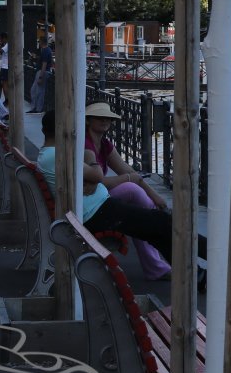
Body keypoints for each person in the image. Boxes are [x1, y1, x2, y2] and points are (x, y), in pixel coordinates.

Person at [35, 109, 203, 274]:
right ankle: (208, 255)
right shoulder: (58, 155)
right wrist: (90, 157)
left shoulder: (49, 154)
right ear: (64, 129)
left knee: (158, 230)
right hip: (96, 213)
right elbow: (97, 174)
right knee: (164, 223)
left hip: (97, 209)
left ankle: (194, 274)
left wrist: (92, 178)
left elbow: (93, 177)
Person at [84, 101, 173, 280]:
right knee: (133, 191)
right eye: (99, 117)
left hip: (97, 197)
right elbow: (97, 181)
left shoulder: (104, 144)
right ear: (87, 120)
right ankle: (155, 265)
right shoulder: (85, 144)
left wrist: (153, 194)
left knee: (138, 196)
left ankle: (156, 264)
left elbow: (128, 171)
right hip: (90, 201)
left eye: (108, 118)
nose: (104, 121)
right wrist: (129, 179)